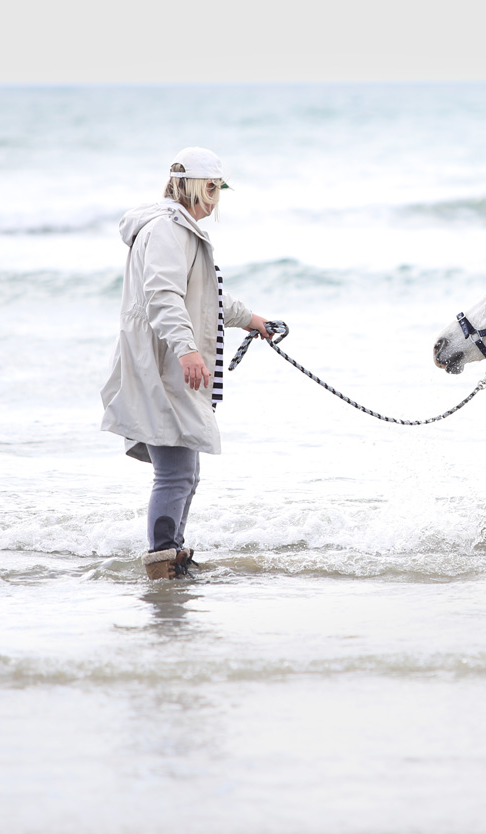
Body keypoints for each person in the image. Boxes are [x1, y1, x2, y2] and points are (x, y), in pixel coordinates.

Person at [100, 147, 271, 580]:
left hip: (170, 360)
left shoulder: (178, 229)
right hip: (161, 363)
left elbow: (202, 297)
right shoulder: (165, 230)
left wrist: (252, 320)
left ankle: (172, 554)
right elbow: (163, 296)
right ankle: (162, 560)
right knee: (176, 471)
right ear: (197, 186)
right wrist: (187, 349)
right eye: (212, 189)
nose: (215, 201)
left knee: (184, 471)